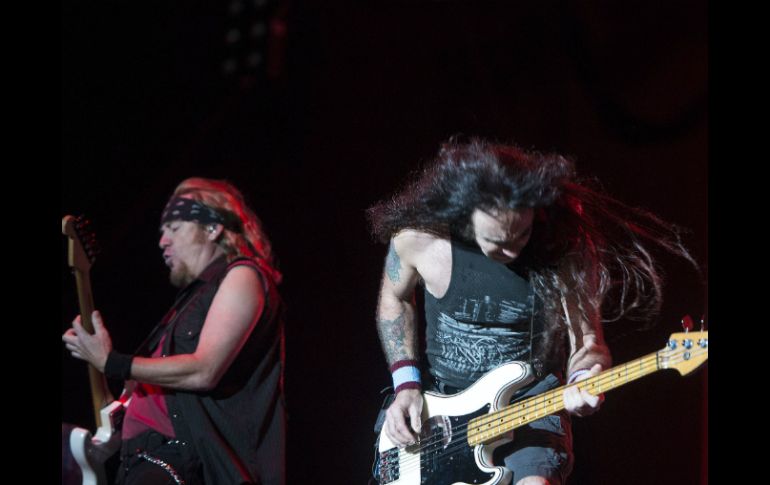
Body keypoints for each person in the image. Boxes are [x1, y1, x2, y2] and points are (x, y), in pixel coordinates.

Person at [367, 138, 692, 485]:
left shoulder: (565, 247)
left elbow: (588, 341)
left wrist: (585, 380)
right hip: (441, 412)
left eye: (520, 234)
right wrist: (406, 385)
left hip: (530, 406)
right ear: (462, 216)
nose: (510, 249)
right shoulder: (420, 238)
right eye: (496, 242)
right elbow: (395, 299)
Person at [63, 177, 286, 485]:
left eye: (175, 228)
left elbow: (204, 370)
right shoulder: (182, 308)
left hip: (179, 462)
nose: (162, 241)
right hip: (141, 462)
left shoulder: (242, 275)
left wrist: (113, 362)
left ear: (212, 228)